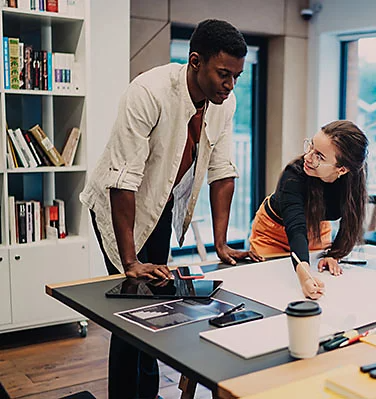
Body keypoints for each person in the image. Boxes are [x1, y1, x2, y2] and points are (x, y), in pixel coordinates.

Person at [80, 19, 261, 398]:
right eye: (223, 74)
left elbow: (222, 171)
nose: (230, 85)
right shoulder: (148, 91)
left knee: (156, 303)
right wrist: (130, 261)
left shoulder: (223, 103)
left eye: (237, 76)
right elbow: (123, 179)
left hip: (162, 202)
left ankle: (148, 391)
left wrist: (222, 244)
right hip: (119, 204)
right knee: (131, 311)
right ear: (195, 61)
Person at [249, 120, 369, 299]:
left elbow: (351, 221)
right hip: (273, 233)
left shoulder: (352, 181)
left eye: (319, 156)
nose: (308, 157)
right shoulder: (294, 175)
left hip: (317, 232)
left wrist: (334, 254)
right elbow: (296, 229)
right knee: (271, 289)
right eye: (311, 146)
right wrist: (305, 276)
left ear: (342, 169)